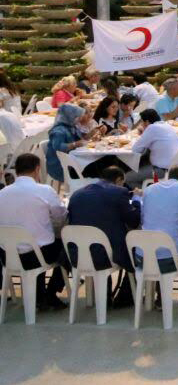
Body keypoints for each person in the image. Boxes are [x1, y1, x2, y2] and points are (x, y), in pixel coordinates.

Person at [0, 154, 68, 309]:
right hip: (36, 256)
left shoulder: (2, 193)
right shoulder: (44, 190)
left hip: (7, 256)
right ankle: (51, 293)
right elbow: (61, 217)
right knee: (69, 248)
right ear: (38, 169)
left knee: (38, 239)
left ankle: (40, 296)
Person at [67, 166, 140, 305]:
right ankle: (126, 297)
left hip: (78, 254)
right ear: (119, 180)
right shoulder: (120, 192)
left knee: (101, 241)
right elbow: (134, 221)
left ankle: (105, 298)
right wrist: (137, 200)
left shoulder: (77, 194)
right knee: (140, 251)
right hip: (107, 254)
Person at [140, 165, 178, 309]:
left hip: (143, 258)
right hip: (170, 260)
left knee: (159, 246)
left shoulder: (149, 189)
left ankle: (160, 299)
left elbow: (143, 218)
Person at [45, 104, 89, 189]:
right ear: (69, 116)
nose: (79, 119)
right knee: (90, 168)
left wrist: (91, 134)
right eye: (76, 117)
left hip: (71, 159)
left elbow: (80, 139)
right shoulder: (58, 130)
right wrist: (74, 144)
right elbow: (57, 147)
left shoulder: (71, 127)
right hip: (59, 164)